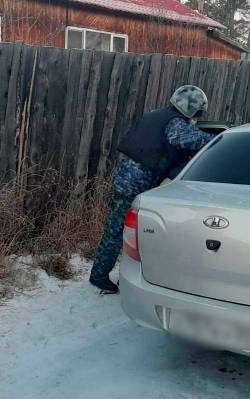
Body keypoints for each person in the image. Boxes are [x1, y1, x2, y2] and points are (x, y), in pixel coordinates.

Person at [89, 85, 214, 293]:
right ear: (193, 109)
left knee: (119, 229)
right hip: (140, 182)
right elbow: (187, 139)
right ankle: (102, 276)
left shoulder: (156, 115)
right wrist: (219, 140)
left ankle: (103, 273)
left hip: (126, 176)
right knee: (126, 231)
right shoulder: (175, 123)